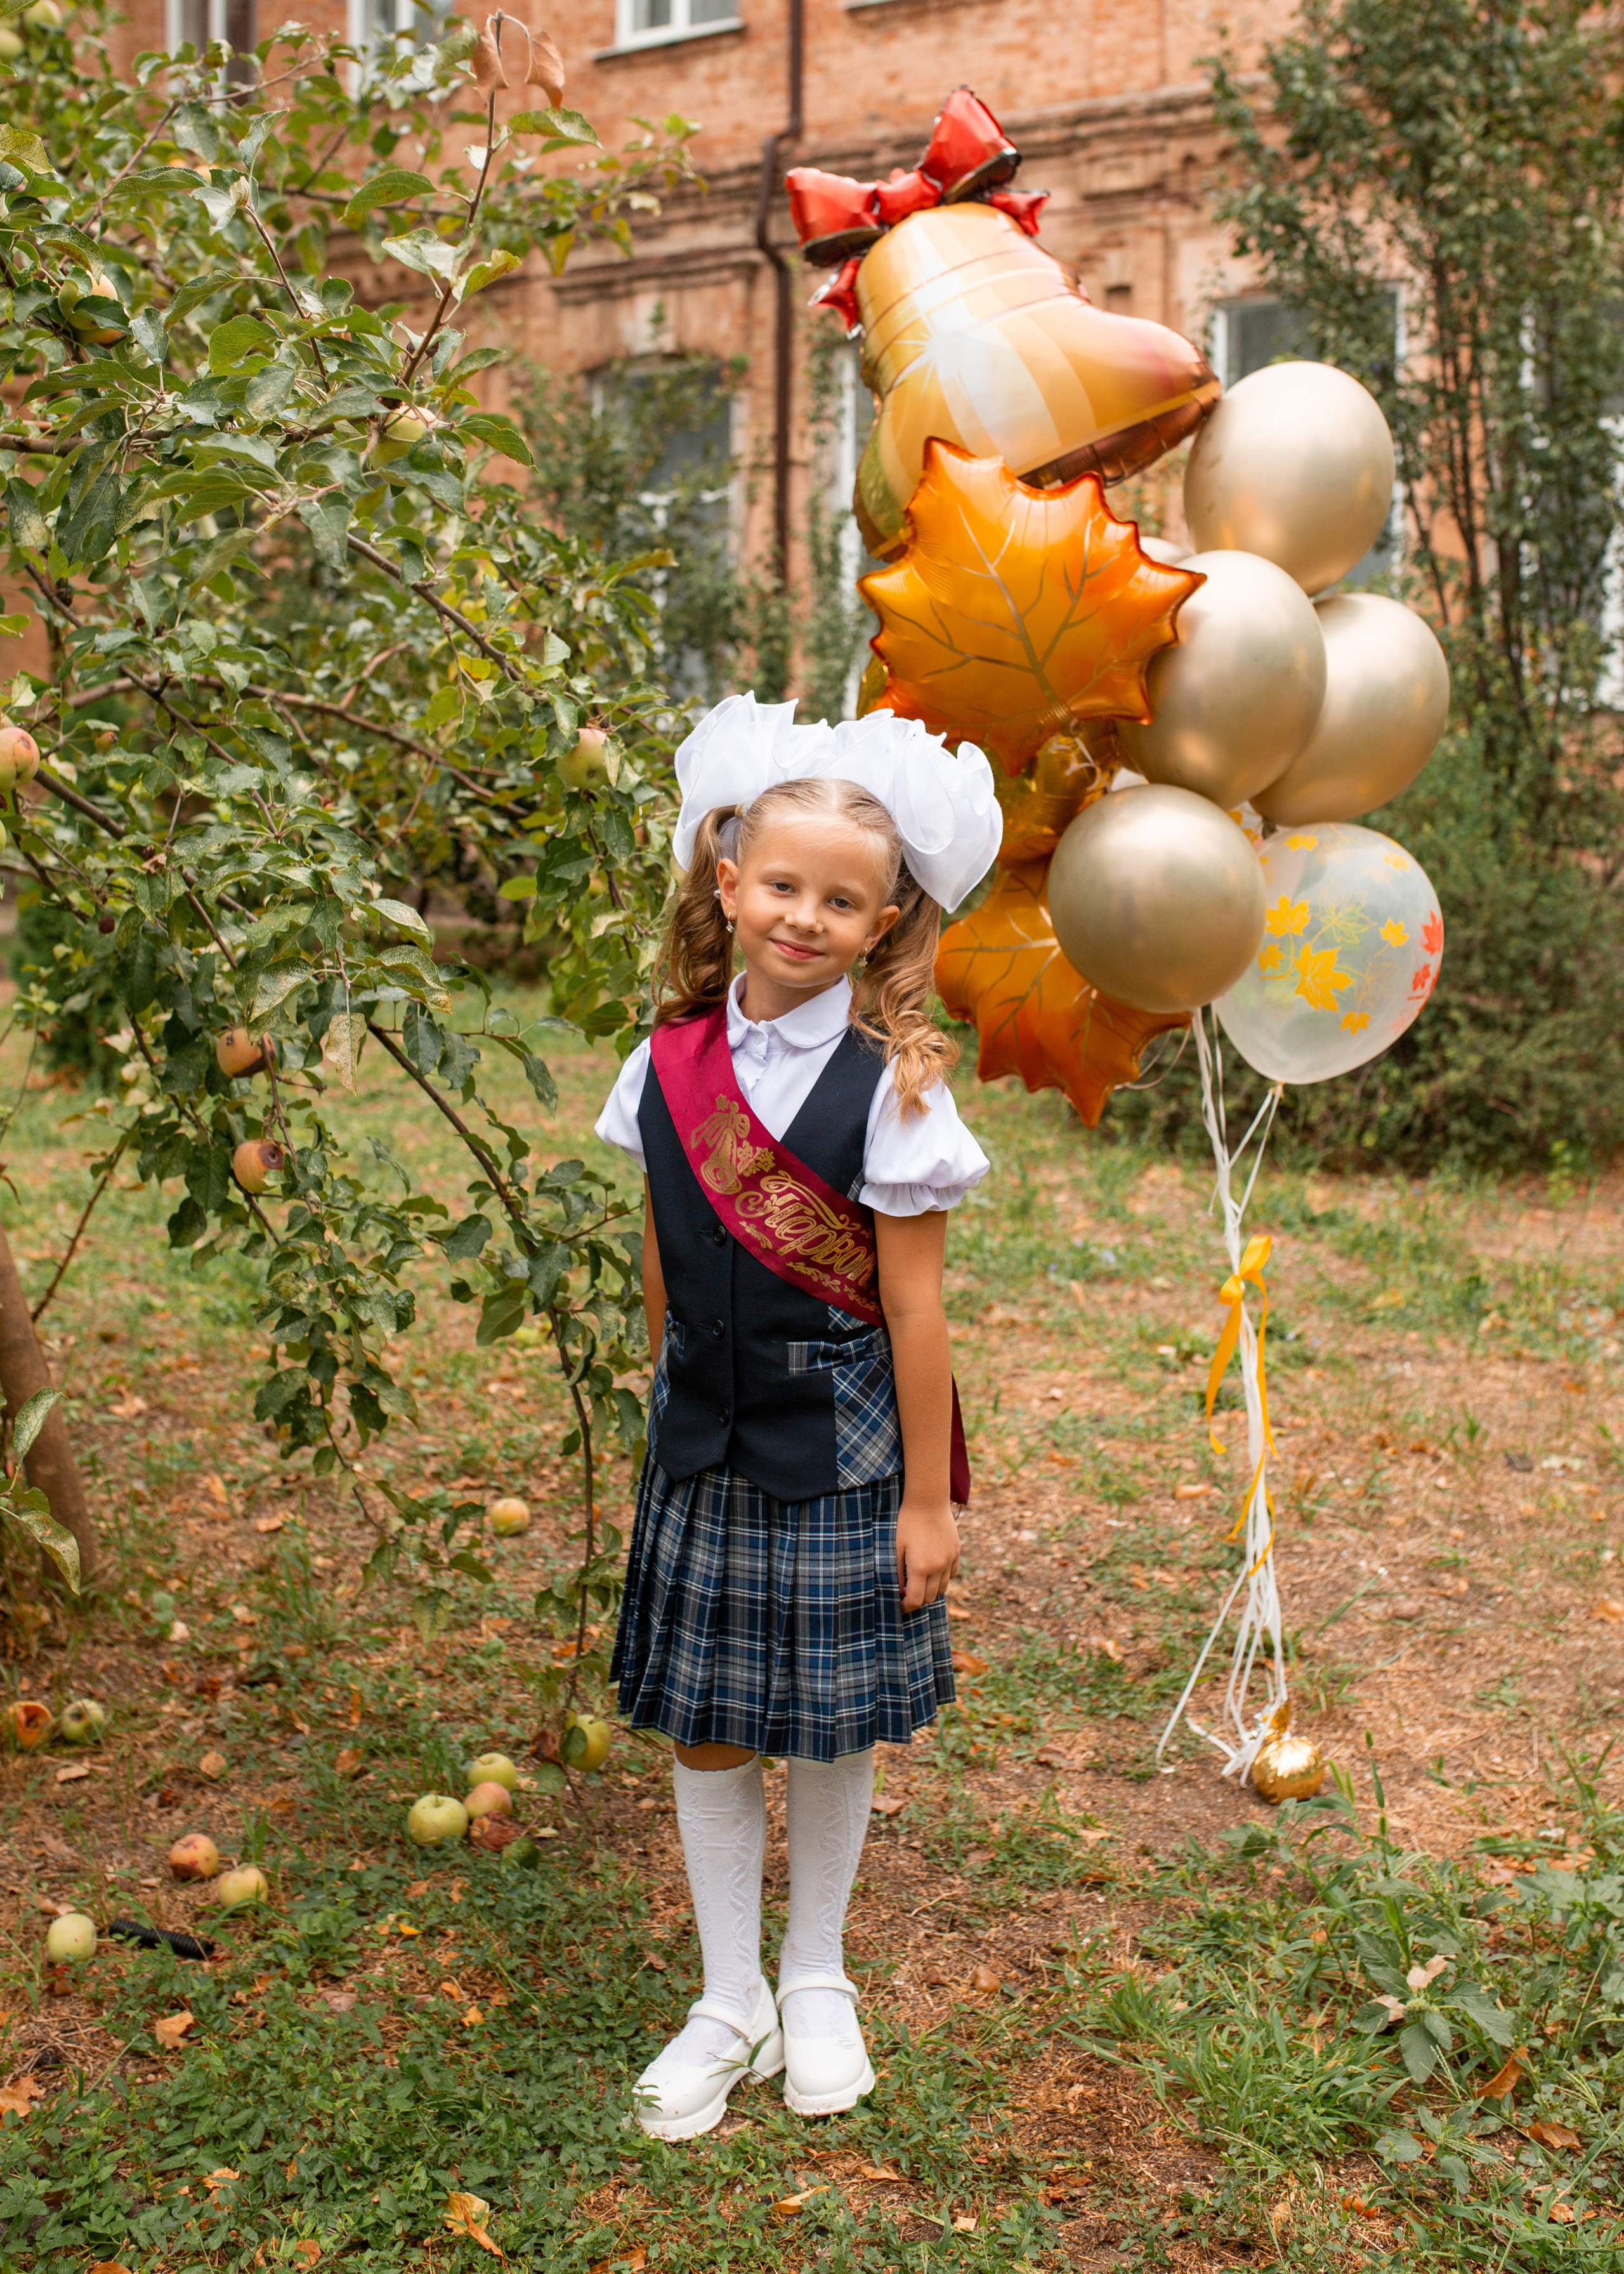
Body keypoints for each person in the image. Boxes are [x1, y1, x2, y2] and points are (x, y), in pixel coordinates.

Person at [594, 692, 1002, 2140]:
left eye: (842, 899)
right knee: (707, 1725)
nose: (804, 916)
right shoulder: (664, 1066)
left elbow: (913, 1309)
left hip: (838, 1455)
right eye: (781, 885)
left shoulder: (889, 1095)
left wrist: (927, 1499)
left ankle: (815, 1973)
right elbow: (657, 1243)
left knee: (829, 1727)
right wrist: (667, 1396)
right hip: (702, 1446)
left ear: (885, 920)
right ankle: (728, 1995)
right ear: (726, 882)